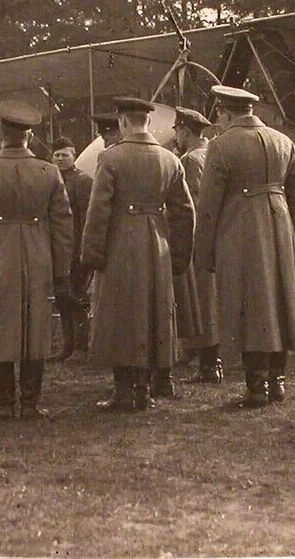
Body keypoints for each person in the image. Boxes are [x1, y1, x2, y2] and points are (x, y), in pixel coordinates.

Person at [194, 85, 295, 409]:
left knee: (250, 303)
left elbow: (208, 205)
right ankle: (278, 381)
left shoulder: (220, 146)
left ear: (226, 112)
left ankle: (257, 385)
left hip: (242, 229)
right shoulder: (283, 142)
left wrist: (203, 253)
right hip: (280, 224)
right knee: (280, 300)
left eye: (218, 114)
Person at [0, 102, 73, 419]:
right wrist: (62, 271)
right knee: (35, 327)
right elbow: (63, 227)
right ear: (29, 136)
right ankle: (31, 402)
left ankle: (5, 403)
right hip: (39, 257)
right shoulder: (48, 172)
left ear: (0, 134)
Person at [81, 96, 194, 412]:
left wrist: (92, 254)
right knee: (152, 312)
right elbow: (185, 211)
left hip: (121, 243)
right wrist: (180, 254)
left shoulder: (111, 157)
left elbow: (98, 210)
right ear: (147, 122)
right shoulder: (170, 159)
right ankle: (144, 389)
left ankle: (123, 390)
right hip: (157, 243)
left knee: (121, 312)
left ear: (122, 122)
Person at [173, 107, 223, 384]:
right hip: (217, 235)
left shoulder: (190, 160)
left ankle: (208, 364)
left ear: (184, 130)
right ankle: (201, 354)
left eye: (178, 131)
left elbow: (191, 205)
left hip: (196, 238)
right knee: (211, 299)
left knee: (199, 300)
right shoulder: (212, 154)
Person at [48, 136, 93, 361]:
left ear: (74, 155)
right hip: (56, 249)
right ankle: (66, 346)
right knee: (62, 297)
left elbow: (86, 217)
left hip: (75, 248)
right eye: (56, 155)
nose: (60, 159)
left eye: (65, 154)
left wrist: (83, 249)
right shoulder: (50, 180)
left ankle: (81, 347)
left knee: (78, 297)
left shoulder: (83, 181)